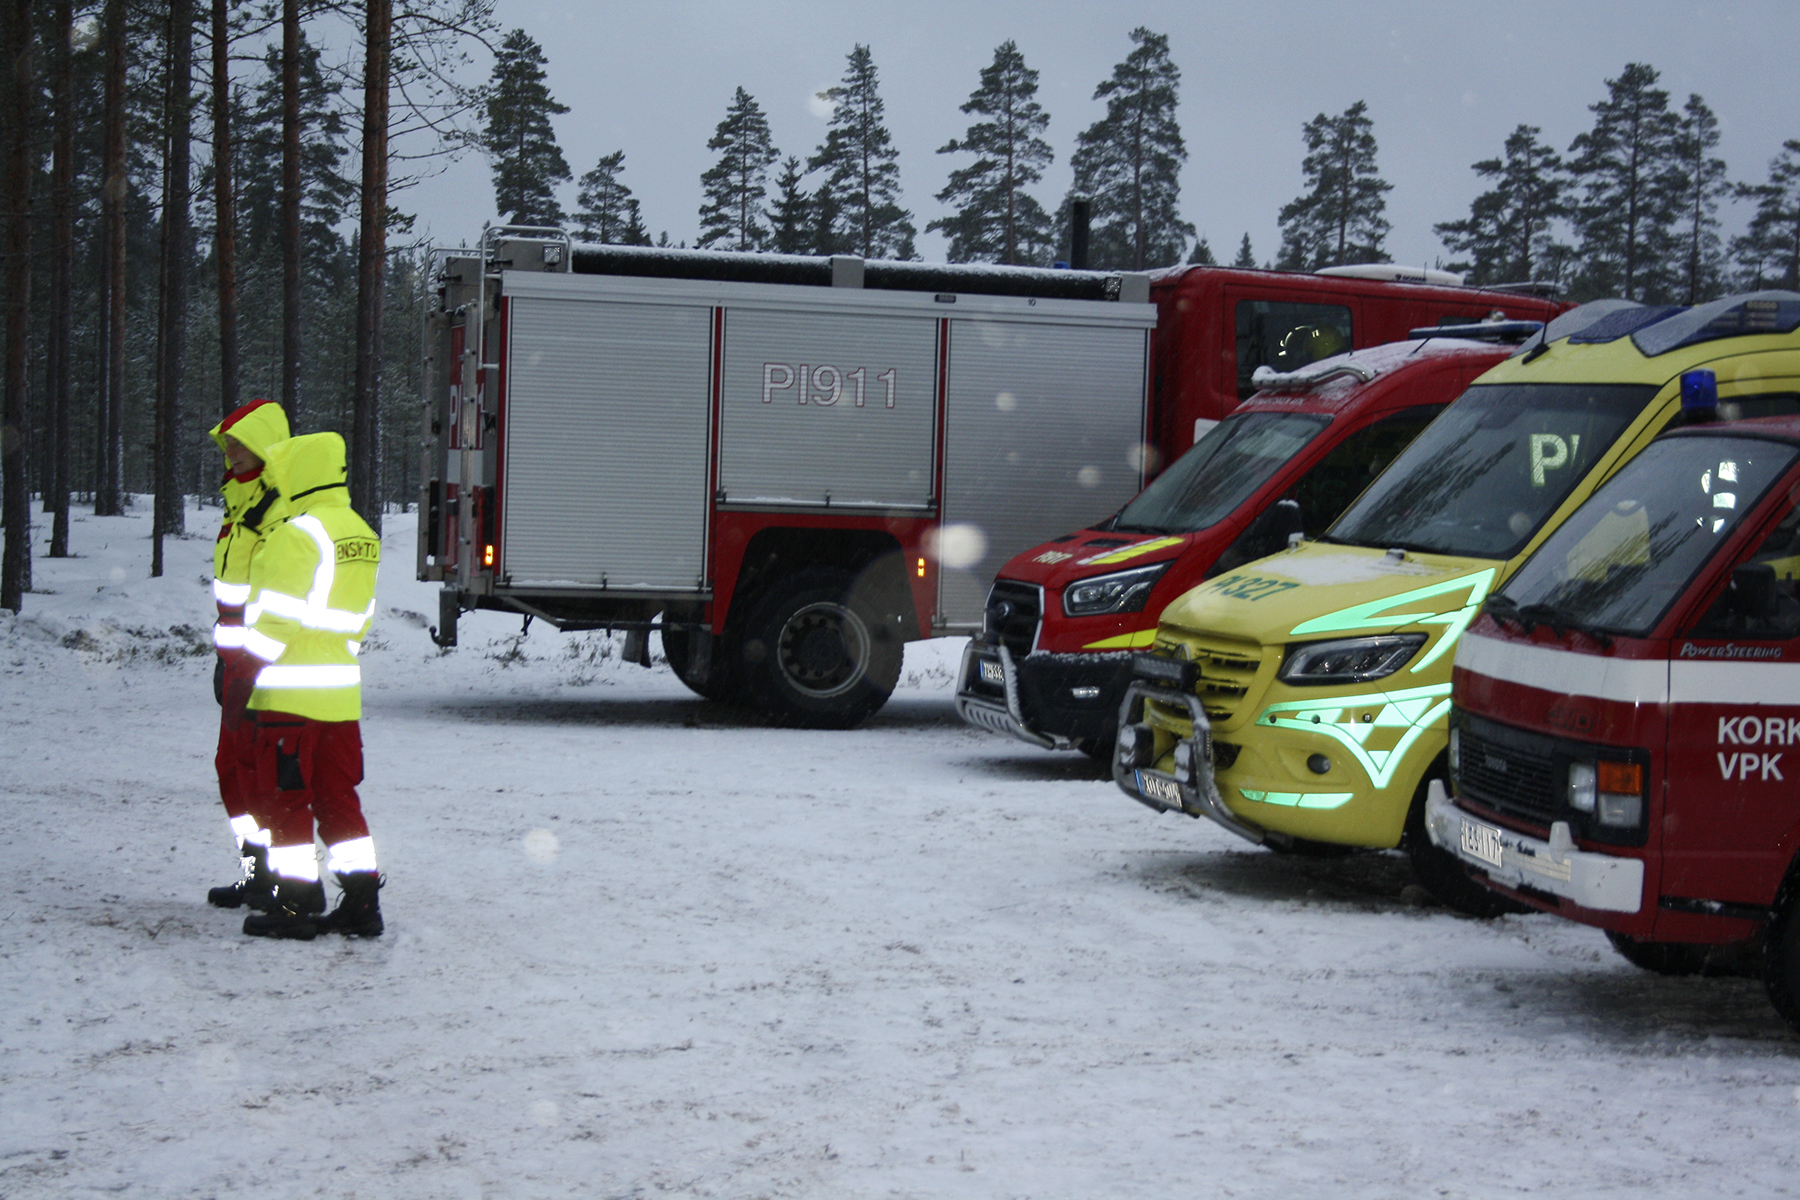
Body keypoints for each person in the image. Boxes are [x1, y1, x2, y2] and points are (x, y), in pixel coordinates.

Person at [238, 431, 385, 940]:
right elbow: (361, 618)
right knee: (338, 798)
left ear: (297, 474)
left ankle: (295, 907)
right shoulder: (359, 531)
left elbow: (276, 620)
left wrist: (243, 671)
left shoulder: (297, 534)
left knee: (285, 801)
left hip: (288, 695)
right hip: (340, 695)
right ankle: (363, 903)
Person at [205, 399, 292, 912]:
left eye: (239, 442)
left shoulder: (277, 508)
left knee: (263, 775)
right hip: (236, 660)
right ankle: (255, 870)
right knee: (231, 769)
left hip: (266, 663)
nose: (230, 451)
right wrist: (226, 655)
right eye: (226, 444)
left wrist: (257, 657)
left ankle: (285, 876)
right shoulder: (237, 505)